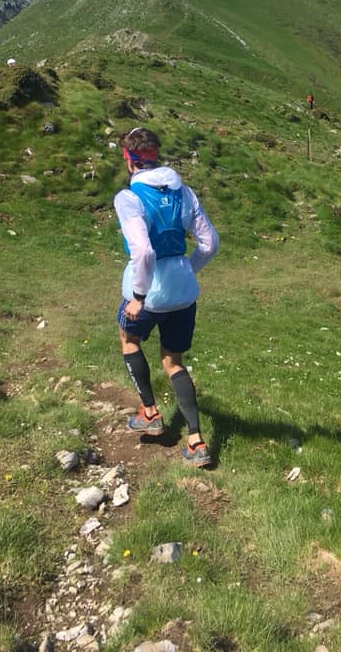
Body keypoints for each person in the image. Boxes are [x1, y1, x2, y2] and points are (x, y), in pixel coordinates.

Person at [114, 127, 219, 467]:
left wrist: (139, 297)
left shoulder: (128, 199)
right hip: (184, 291)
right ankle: (196, 442)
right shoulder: (184, 193)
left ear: (130, 160)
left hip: (150, 292)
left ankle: (149, 412)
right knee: (174, 361)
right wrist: (188, 268)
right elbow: (210, 244)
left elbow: (143, 252)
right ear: (155, 156)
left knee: (129, 340)